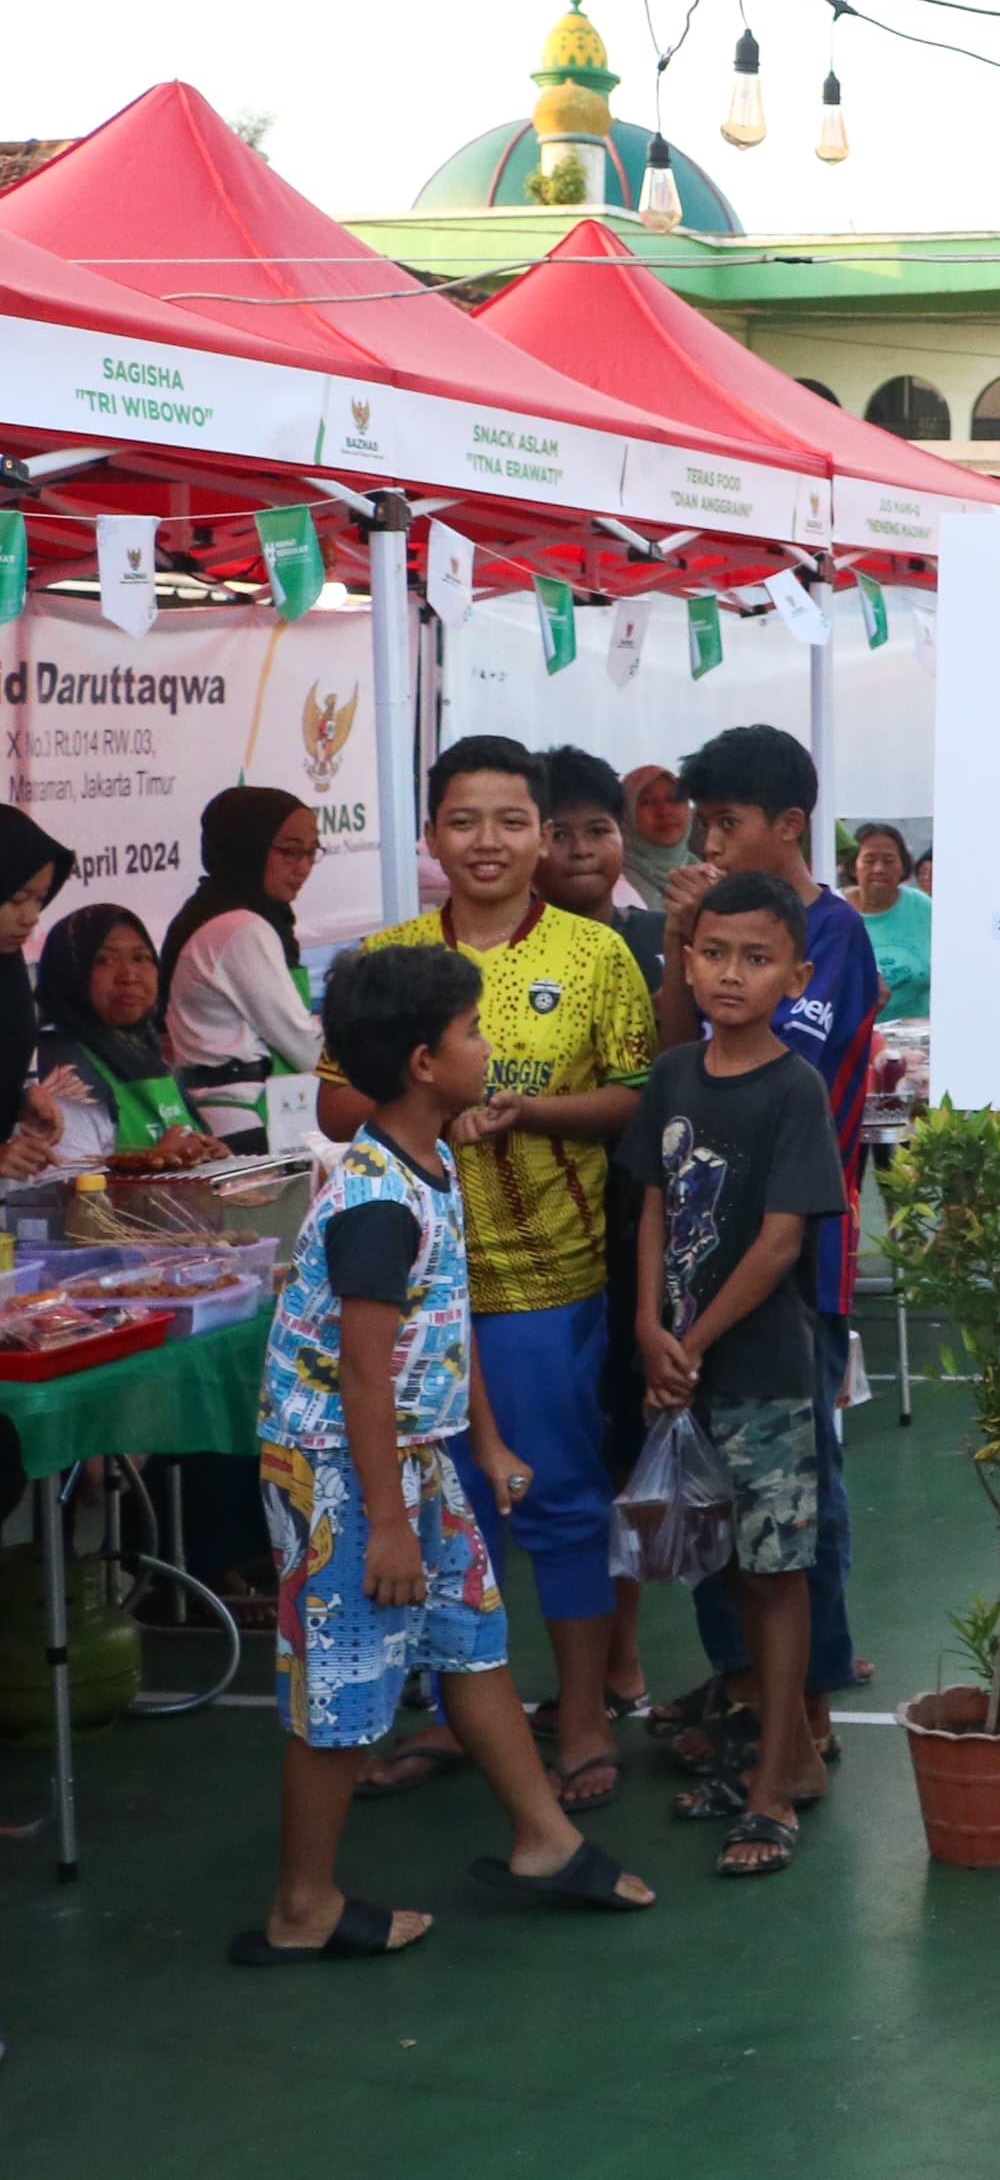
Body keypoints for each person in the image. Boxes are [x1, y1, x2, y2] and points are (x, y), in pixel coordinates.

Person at [234, 941, 652, 1965]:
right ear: (425, 1060)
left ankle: (544, 1839)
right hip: (344, 1471)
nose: (491, 1044)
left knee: (472, 1639)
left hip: (412, 1457)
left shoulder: (434, 1159)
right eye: (474, 1030)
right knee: (340, 1690)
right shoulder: (377, 1197)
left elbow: (441, 1324)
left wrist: (491, 1441)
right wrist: (383, 1518)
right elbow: (365, 1374)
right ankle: (303, 1905)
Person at [318, 739, 655, 1810]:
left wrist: (527, 1112)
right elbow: (333, 1102)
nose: (489, 842)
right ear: (431, 837)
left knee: (555, 1500)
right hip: (416, 1288)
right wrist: (419, 1110)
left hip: (546, 1284)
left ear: (543, 835)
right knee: (438, 1509)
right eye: (464, 820)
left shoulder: (598, 955)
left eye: (513, 820)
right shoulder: (390, 958)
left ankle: (585, 1716)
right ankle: (460, 1717)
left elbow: (638, 1098)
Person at [655, 724, 884, 1728]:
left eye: (728, 825)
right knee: (708, 1482)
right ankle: (742, 1674)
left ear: (789, 826)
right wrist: (678, 949)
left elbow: (768, 1048)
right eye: (703, 826)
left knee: (801, 1489)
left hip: (799, 1258)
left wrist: (718, 948)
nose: (708, 844)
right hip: (699, 1263)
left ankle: (809, 1695)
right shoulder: (704, 937)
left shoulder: (829, 934)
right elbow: (676, 1062)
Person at [630, 875, 853, 1875]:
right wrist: (647, 1324)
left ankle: (773, 1786)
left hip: (760, 1373)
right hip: (682, 1370)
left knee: (775, 1570)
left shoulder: (791, 1088)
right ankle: (778, 1763)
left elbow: (774, 1246)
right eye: (714, 951)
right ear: (686, 957)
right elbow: (650, 1205)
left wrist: (691, 1338)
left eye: (756, 958)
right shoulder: (675, 1073)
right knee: (716, 1561)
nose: (730, 972)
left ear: (795, 976)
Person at [538, 744, 667, 1713]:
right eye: (558, 830)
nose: (580, 848)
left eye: (597, 828)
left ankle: (621, 1655)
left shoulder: (659, 937)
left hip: (630, 1226)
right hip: (519, 1240)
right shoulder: (488, 956)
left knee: (618, 1449)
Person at [163, 787, 324, 1153]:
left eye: (311, 853)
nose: (301, 867)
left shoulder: (210, 912)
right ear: (247, 847)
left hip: (231, 1109)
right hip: (242, 1118)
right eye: (289, 851)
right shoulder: (240, 928)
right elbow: (300, 1042)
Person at [35, 906, 231, 1169]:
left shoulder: (143, 1050)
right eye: (104, 961)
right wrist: (156, 1162)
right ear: (70, 972)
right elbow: (67, 1192)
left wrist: (206, 1154)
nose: (129, 976)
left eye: (140, 958)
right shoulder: (62, 1067)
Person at [538, 747, 667, 986]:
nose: (581, 850)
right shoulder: (506, 950)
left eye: (597, 831)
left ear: (623, 834)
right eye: (559, 836)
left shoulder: (666, 937)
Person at [0, 804, 72, 1179]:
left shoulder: (8, 967)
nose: (31, 917)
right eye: (15, 899)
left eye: (39, 900)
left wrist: (21, 1100)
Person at [846, 822, 930, 1020]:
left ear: (903, 866)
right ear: (853, 867)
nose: (879, 869)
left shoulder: (924, 908)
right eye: (869, 860)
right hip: (852, 1040)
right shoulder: (836, 910)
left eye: (889, 860)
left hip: (916, 1039)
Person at [619, 763, 696, 910]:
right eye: (647, 802)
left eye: (674, 798)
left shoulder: (708, 877)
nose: (664, 811)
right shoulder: (614, 885)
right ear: (626, 814)